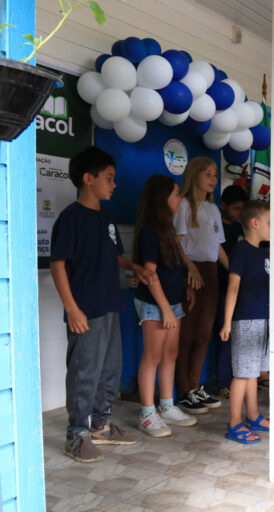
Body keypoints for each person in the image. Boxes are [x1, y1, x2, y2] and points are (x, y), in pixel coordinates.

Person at [50, 147, 146, 462]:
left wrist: (133, 267)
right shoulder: (70, 218)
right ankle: (76, 434)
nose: (114, 185)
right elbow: (58, 265)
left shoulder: (106, 216)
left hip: (110, 304)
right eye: (109, 178)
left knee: (110, 368)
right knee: (84, 370)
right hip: (85, 309)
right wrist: (72, 308)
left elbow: (112, 253)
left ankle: (101, 425)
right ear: (88, 179)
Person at [220, 201, 274, 443]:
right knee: (242, 374)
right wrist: (227, 322)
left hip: (264, 318)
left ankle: (252, 416)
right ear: (255, 223)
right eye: (271, 223)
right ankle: (234, 423)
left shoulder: (264, 252)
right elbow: (233, 287)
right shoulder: (241, 250)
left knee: (253, 372)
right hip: (246, 320)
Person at [133, 175, 198, 437]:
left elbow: (174, 266)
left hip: (172, 302)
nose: (179, 199)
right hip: (154, 303)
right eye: (175, 194)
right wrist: (166, 309)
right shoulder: (149, 230)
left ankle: (167, 406)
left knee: (171, 354)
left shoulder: (168, 228)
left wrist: (185, 289)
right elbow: (150, 275)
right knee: (154, 357)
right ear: (162, 198)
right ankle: (148, 414)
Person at [173, 157, 228, 414]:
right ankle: (183, 389)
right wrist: (190, 268)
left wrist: (235, 270)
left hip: (211, 271)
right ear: (194, 175)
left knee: (205, 332)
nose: (213, 179)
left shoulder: (212, 208)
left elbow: (217, 247)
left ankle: (195, 387)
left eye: (215, 175)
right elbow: (177, 242)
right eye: (208, 174)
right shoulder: (184, 205)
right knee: (188, 333)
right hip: (192, 271)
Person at [216, 184, 249, 398]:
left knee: (233, 336)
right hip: (219, 284)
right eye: (236, 208)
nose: (239, 214)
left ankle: (234, 379)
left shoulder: (239, 229)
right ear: (223, 205)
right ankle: (221, 382)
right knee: (222, 335)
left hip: (237, 287)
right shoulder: (216, 226)